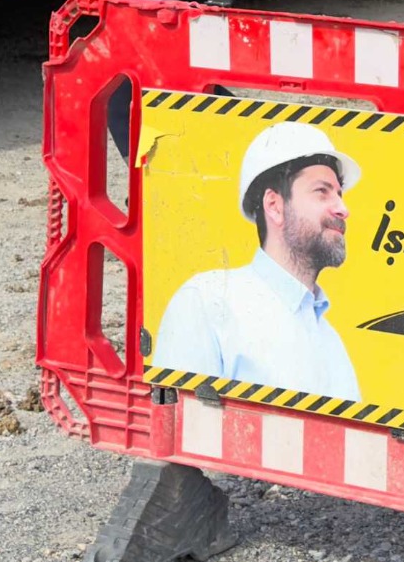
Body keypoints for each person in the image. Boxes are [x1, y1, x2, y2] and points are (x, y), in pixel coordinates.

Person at [150, 123, 361, 397]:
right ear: (274, 205)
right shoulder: (208, 302)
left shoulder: (332, 343)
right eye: (322, 191)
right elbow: (174, 430)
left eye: (339, 194)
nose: (343, 209)